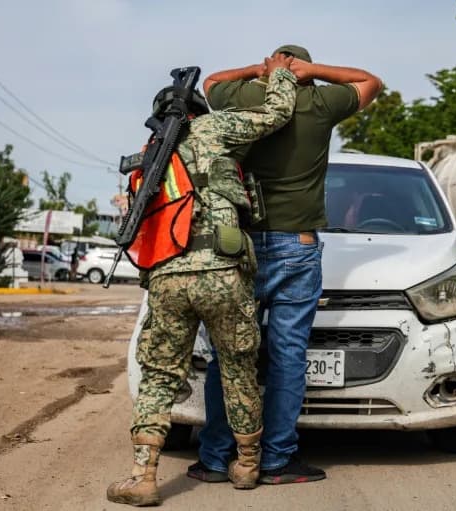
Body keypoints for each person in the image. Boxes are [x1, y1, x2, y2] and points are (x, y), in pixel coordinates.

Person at [106, 54, 297, 507]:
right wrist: (280, 74)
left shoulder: (150, 159)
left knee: (159, 375)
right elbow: (278, 114)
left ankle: (143, 475)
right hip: (222, 272)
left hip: (168, 277)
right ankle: (248, 464)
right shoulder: (215, 129)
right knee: (237, 368)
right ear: (198, 110)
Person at [189, 45, 382, 485]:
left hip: (240, 247)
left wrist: (259, 69)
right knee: (288, 353)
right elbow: (370, 81)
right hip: (297, 247)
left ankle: (218, 457)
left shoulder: (244, 101)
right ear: (304, 76)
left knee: (229, 353)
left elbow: (211, 82)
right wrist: (311, 72)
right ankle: (276, 458)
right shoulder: (318, 103)